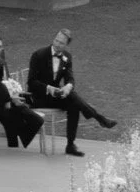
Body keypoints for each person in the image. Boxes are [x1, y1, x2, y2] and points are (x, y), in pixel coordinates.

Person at [26, 28, 117, 157]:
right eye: (56, 40)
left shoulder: (66, 57)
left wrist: (68, 87)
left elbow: (70, 78)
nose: (57, 44)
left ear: (66, 45)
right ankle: (99, 118)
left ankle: (70, 145)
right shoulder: (38, 55)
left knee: (74, 104)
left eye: (61, 43)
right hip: (39, 97)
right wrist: (49, 88)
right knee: (74, 99)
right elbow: (31, 82)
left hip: (55, 96)